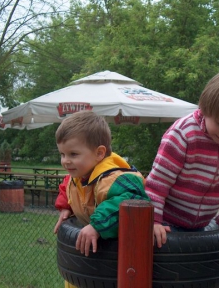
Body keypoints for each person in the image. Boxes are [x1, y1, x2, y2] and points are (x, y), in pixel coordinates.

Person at [145, 69, 219, 248]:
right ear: (205, 109)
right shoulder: (184, 134)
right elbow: (157, 185)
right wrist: (153, 222)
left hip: (203, 224)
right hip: (167, 221)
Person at [53, 110, 149, 261]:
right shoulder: (78, 175)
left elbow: (133, 198)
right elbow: (67, 185)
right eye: (62, 154)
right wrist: (66, 205)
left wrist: (97, 225)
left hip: (126, 257)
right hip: (89, 261)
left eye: (73, 154)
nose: (65, 161)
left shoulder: (115, 180)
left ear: (99, 153)